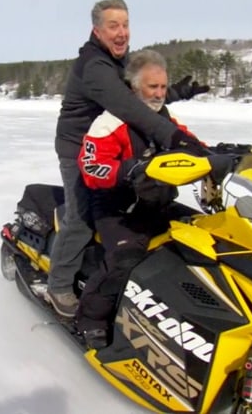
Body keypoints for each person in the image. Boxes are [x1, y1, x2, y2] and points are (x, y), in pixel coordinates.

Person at [46, 0, 210, 318]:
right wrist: (171, 135)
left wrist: (172, 93)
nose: (121, 32)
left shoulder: (118, 61)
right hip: (79, 147)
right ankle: (59, 284)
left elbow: (135, 94)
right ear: (97, 30)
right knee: (80, 218)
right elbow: (127, 105)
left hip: (115, 144)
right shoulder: (95, 66)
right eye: (113, 26)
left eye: (125, 24)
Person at [74, 49, 213, 348]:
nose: (160, 93)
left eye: (163, 87)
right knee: (125, 258)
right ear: (135, 87)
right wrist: (130, 169)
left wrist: (219, 155)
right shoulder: (110, 122)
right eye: (153, 87)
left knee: (206, 238)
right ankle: (91, 320)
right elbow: (91, 168)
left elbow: (189, 143)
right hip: (118, 207)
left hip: (155, 203)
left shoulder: (162, 118)